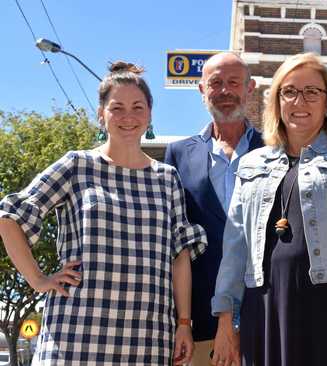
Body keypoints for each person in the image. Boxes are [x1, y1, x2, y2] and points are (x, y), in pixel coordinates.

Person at [0, 61, 207, 365]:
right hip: (74, 337)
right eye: (117, 108)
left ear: (149, 114)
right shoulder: (77, 166)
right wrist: (38, 279)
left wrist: (184, 324)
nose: (128, 117)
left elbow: (179, 257)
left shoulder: (166, 178)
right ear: (101, 115)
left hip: (149, 339)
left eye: (137, 107)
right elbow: (9, 216)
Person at [210, 53, 327, 366]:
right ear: (277, 102)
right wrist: (225, 321)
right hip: (267, 308)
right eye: (289, 91)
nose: (300, 101)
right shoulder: (250, 165)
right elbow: (235, 247)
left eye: (312, 92)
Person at [164, 52, 264, 365]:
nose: (224, 91)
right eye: (215, 83)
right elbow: (173, 240)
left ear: (250, 88)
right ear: (201, 90)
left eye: (233, 82)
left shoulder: (277, 148)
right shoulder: (178, 154)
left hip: (266, 314)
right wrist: (181, 321)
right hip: (201, 323)